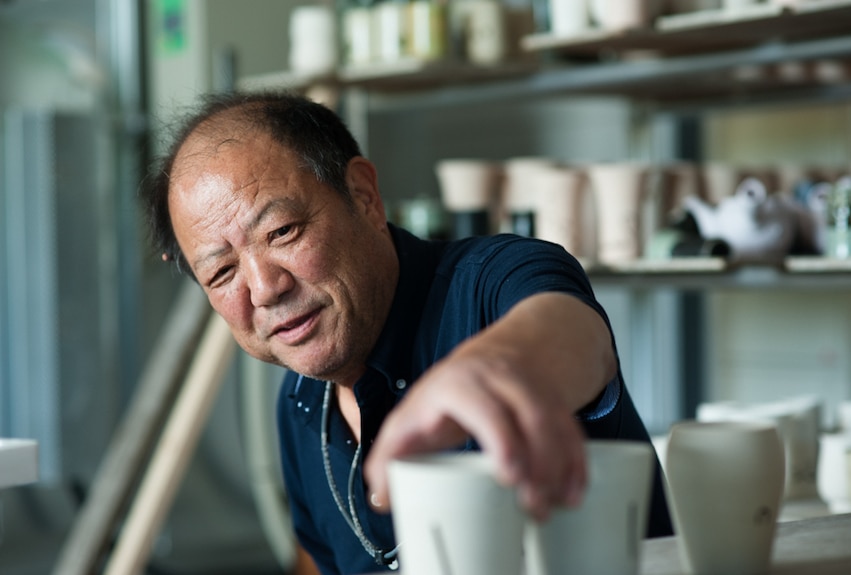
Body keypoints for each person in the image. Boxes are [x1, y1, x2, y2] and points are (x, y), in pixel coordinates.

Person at [143, 91, 673, 575]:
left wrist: (493, 368)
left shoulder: (491, 280)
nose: (264, 289)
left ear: (364, 195)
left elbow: (571, 333)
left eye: (282, 232)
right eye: (221, 272)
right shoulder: (301, 401)